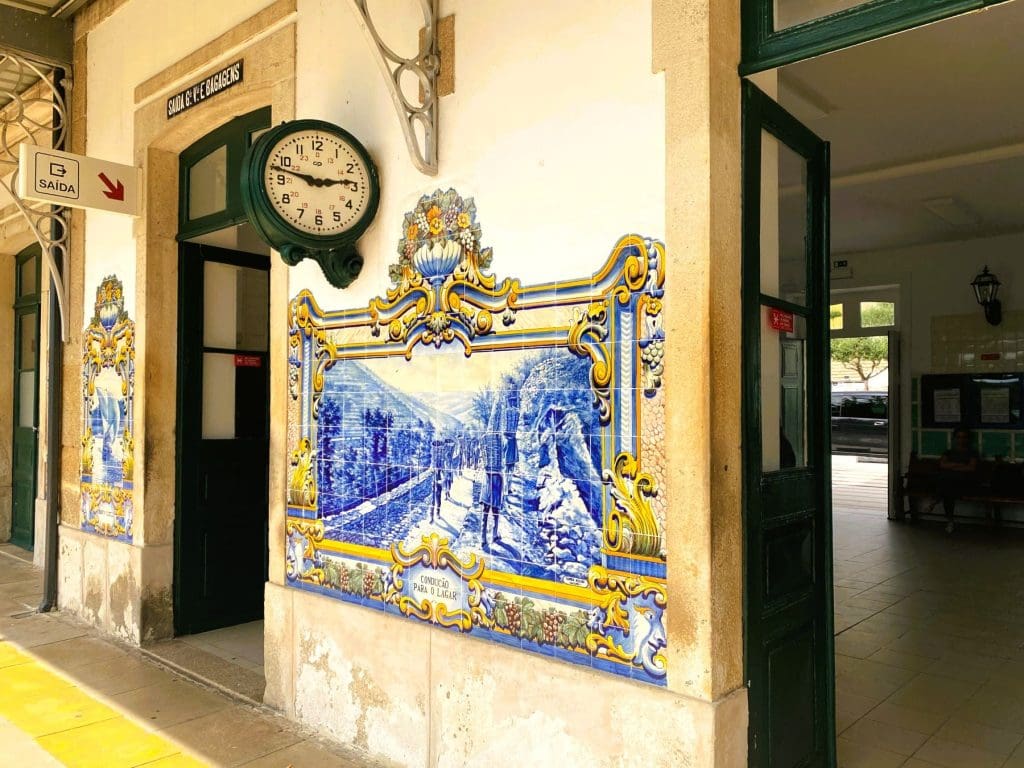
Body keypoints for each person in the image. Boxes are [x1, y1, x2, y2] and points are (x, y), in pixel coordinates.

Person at [938, 426, 979, 533]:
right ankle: (949, 520)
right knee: (948, 490)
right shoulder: (949, 452)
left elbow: (971, 468)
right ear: (955, 438)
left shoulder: (972, 453)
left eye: (964, 437)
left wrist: (952, 466)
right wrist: (960, 465)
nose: (961, 440)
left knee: (947, 486)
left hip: (965, 483)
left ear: (967, 439)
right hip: (951, 483)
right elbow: (942, 464)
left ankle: (935, 501)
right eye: (959, 437)